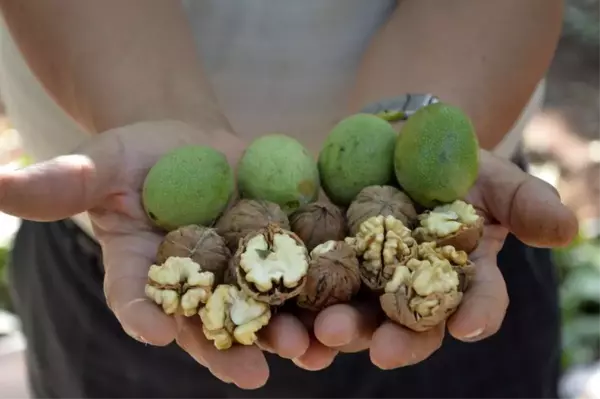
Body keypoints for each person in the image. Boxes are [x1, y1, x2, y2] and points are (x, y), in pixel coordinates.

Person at [0, 1, 578, 398]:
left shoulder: (420, 239)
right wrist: (152, 117)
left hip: (465, 240)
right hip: (116, 254)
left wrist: (411, 121)